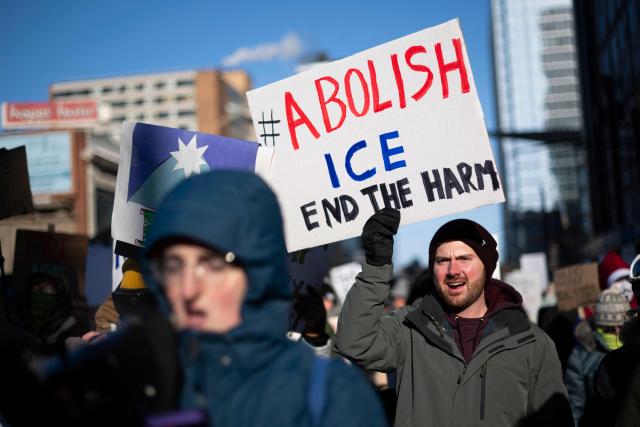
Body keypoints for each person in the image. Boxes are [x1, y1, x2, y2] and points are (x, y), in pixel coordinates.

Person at [142, 170, 386, 427]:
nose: (188, 289)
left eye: (213, 265)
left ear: (258, 272)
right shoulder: (135, 385)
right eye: (172, 265)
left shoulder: (334, 395)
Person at [335, 208, 571, 427]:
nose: (452, 270)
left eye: (464, 258)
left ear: (486, 267)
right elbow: (355, 342)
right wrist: (376, 267)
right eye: (442, 261)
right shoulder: (409, 328)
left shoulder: (531, 343)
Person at [565, 289, 630, 425]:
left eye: (621, 327)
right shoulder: (580, 356)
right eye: (610, 328)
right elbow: (576, 405)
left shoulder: (634, 347)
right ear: (599, 325)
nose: (616, 333)